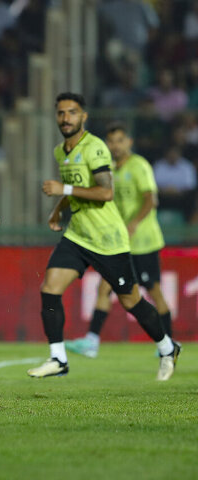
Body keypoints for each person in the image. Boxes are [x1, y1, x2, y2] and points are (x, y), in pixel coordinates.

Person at [28, 92, 180, 381]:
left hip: (108, 239)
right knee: (50, 288)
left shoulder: (95, 147)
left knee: (131, 301)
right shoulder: (61, 151)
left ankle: (166, 346)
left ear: (83, 117)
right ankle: (59, 358)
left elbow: (105, 192)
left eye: (72, 112)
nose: (66, 118)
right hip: (78, 236)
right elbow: (74, 186)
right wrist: (59, 210)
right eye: (61, 113)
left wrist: (64, 192)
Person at [65, 123, 174, 358]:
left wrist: (134, 223)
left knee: (154, 292)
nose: (115, 146)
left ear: (129, 142)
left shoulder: (139, 166)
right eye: (111, 141)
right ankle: (92, 341)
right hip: (119, 242)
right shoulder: (109, 168)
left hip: (143, 242)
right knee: (104, 287)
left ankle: (168, 341)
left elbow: (150, 200)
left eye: (119, 140)